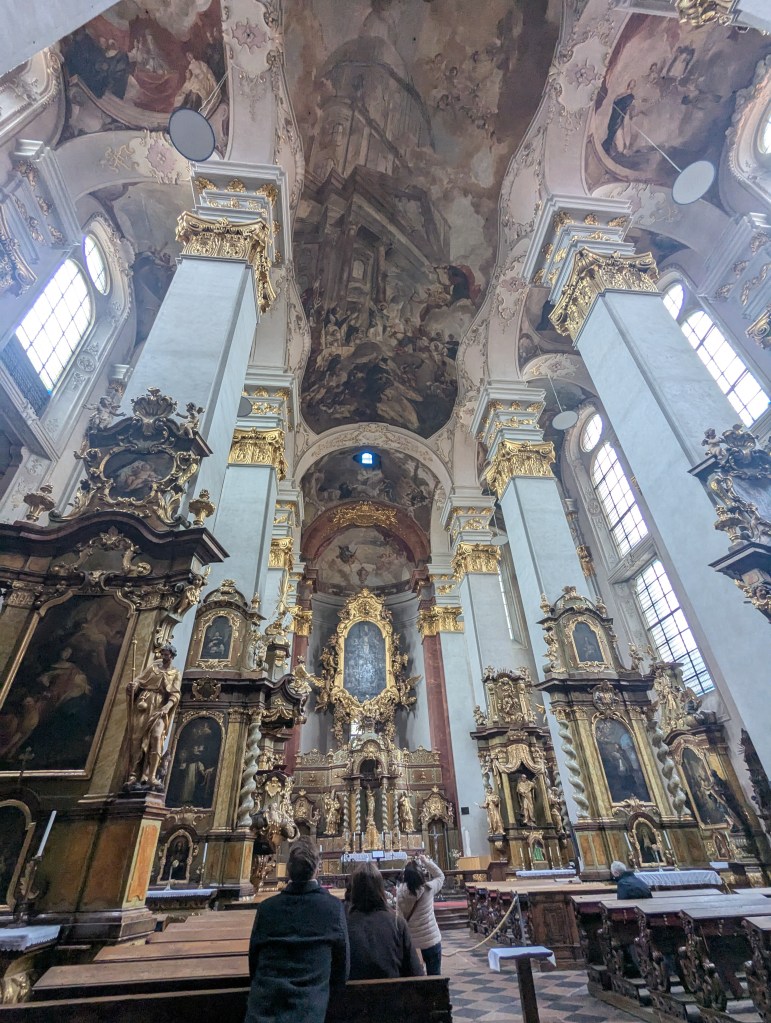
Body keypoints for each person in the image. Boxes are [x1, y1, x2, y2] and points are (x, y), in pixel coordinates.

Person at [245, 838, 349, 1023]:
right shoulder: (332, 908)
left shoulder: (267, 909)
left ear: (288, 869)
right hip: (309, 1013)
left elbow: (254, 960)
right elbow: (342, 969)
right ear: (317, 868)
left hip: (262, 1013)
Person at [345, 862, 422, 980]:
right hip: (392, 996)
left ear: (354, 889)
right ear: (380, 889)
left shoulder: (343, 924)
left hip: (352, 997)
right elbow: (416, 973)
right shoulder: (397, 923)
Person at [396, 853, 445, 976]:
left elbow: (399, 919)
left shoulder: (400, 893)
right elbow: (440, 876)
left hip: (412, 943)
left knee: (413, 977)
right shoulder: (428, 889)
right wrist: (426, 861)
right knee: (434, 976)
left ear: (405, 877)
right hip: (430, 939)